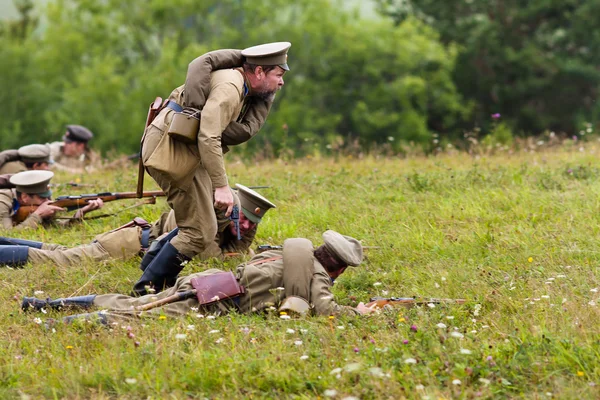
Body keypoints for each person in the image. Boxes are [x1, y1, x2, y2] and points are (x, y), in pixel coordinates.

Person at [136, 42, 290, 295]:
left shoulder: (236, 82)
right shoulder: (231, 89)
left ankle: (152, 261)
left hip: (181, 148)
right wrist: (221, 186)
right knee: (199, 232)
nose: (281, 83)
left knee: (222, 212)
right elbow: (208, 136)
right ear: (259, 72)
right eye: (279, 75)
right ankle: (147, 289)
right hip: (171, 153)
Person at [22, 230, 377, 324]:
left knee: (132, 303)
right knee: (134, 317)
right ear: (340, 268)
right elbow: (327, 313)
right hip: (214, 302)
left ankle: (46, 305)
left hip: (206, 281)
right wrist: (357, 314)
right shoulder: (318, 278)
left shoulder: (285, 252)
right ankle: (55, 322)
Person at [0, 184, 274, 267]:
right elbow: (211, 259)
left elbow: (237, 254)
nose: (249, 227)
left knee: (56, 249)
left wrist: (243, 238)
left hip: (130, 239)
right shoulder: (203, 223)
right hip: (126, 247)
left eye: (255, 222)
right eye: (245, 218)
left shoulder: (225, 222)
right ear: (230, 210)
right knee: (58, 260)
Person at [0, 170, 103, 231]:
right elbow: (8, 234)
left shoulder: (39, 203)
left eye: (47, 197)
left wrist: (81, 213)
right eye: (41, 198)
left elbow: (57, 227)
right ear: (24, 197)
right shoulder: (2, 200)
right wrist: (38, 215)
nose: (47, 201)